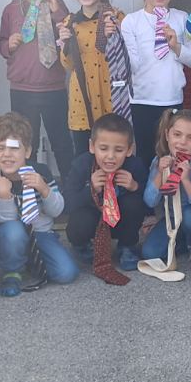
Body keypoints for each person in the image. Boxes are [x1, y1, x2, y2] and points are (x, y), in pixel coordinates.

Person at [0, 0, 73, 177]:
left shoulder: (56, 4)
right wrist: (9, 45)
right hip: (22, 88)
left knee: (62, 142)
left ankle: (70, 191)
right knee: (24, 144)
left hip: (53, 87)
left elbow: (70, 37)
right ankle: (27, 190)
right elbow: (1, 44)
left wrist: (57, 12)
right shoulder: (11, 10)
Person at [0, 112, 77, 294]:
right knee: (13, 231)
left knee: (67, 273)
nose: (7, 154)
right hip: (10, 238)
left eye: (14, 148)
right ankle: (12, 271)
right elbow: (2, 221)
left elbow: (57, 211)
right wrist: (4, 197)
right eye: (0, 149)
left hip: (41, 234)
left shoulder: (41, 172)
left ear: (27, 151)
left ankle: (32, 260)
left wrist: (44, 189)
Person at [123, 0, 191, 168]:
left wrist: (176, 47)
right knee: (145, 157)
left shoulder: (182, 18)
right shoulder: (131, 22)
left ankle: (171, 191)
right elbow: (132, 66)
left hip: (172, 100)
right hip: (141, 101)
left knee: (172, 158)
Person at [64, 113, 149, 285]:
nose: (110, 156)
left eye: (118, 150)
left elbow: (149, 203)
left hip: (120, 222)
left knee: (134, 203)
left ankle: (127, 246)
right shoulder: (81, 165)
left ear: (129, 150)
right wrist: (90, 189)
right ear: (92, 146)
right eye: (103, 148)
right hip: (92, 220)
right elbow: (67, 203)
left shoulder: (135, 165)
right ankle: (82, 245)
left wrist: (135, 186)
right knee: (79, 219)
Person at [59, 0, 125, 156]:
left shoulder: (116, 17)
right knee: (84, 158)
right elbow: (67, 65)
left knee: (114, 154)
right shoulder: (70, 21)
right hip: (82, 101)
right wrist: (65, 44)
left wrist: (114, 36)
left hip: (111, 99)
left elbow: (127, 61)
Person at [140, 108, 191, 267]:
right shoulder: (159, 162)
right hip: (170, 219)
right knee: (150, 254)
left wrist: (186, 180)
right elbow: (150, 201)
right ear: (167, 135)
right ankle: (180, 241)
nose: (182, 142)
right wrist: (160, 173)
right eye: (177, 135)